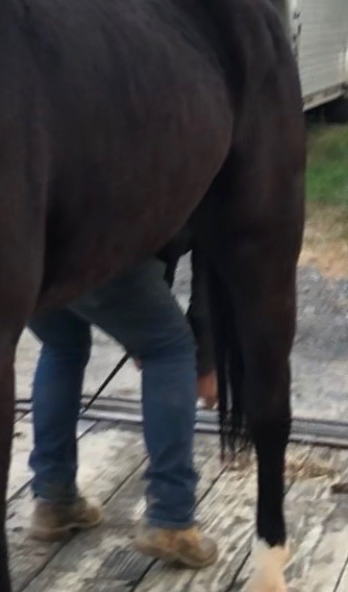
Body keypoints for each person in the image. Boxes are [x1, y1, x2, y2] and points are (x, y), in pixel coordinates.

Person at [26, 226, 218, 568]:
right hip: (98, 239)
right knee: (171, 347)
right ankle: (172, 518)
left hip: (32, 250)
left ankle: (53, 500)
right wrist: (206, 359)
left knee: (59, 346)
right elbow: (211, 252)